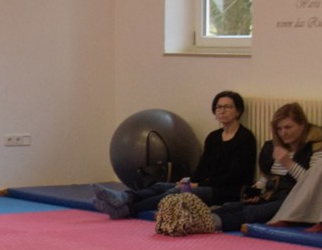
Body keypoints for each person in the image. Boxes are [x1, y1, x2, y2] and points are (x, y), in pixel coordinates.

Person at [93, 90, 258, 218]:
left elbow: (235, 175)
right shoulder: (214, 137)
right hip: (207, 185)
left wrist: (198, 185)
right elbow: (203, 167)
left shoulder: (245, 138)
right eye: (219, 107)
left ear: (238, 111)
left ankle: (129, 209)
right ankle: (124, 197)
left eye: (228, 107)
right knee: (161, 186)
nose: (222, 111)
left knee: (174, 193)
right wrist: (188, 181)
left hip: (228, 190)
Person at [211, 102, 322, 232]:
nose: (283, 133)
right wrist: (256, 190)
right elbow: (267, 177)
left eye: (288, 127)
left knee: (252, 213)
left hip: (297, 201)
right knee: (231, 207)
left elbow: (315, 185)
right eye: (279, 129)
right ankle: (203, 218)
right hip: (272, 195)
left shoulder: (318, 149)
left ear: (302, 125)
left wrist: (288, 163)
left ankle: (210, 223)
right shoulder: (274, 147)